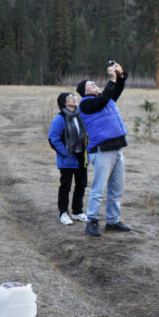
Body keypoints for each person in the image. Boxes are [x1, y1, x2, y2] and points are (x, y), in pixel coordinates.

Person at [77, 61, 131, 236]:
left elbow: (115, 91)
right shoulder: (86, 105)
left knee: (117, 189)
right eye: (90, 84)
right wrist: (112, 79)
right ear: (84, 91)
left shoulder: (104, 99)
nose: (94, 84)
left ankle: (113, 221)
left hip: (117, 148)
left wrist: (120, 75)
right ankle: (92, 221)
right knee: (99, 189)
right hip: (102, 151)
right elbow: (103, 98)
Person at [47, 92, 88, 225]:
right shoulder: (60, 119)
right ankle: (63, 213)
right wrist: (66, 152)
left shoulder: (80, 116)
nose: (74, 98)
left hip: (82, 156)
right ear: (64, 103)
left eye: (75, 97)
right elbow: (53, 139)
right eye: (71, 97)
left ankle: (77, 211)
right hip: (67, 158)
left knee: (81, 184)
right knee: (66, 186)